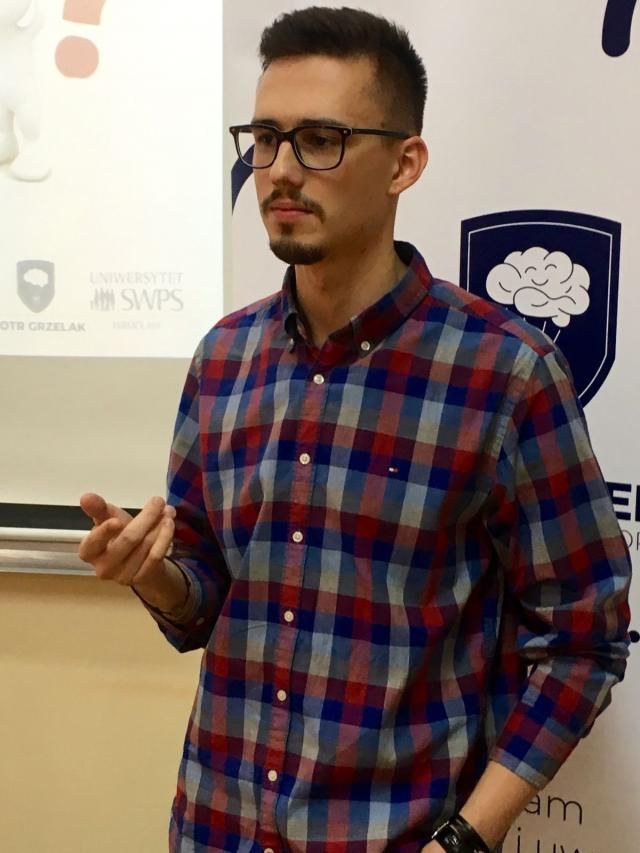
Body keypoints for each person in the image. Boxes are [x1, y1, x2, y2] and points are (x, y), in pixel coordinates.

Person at [78, 7, 632, 852]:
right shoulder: (223, 358)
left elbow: (583, 640)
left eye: (319, 140)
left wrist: (466, 838)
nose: (279, 170)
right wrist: (152, 574)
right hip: (217, 828)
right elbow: (204, 600)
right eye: (265, 138)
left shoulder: (505, 373)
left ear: (404, 162)